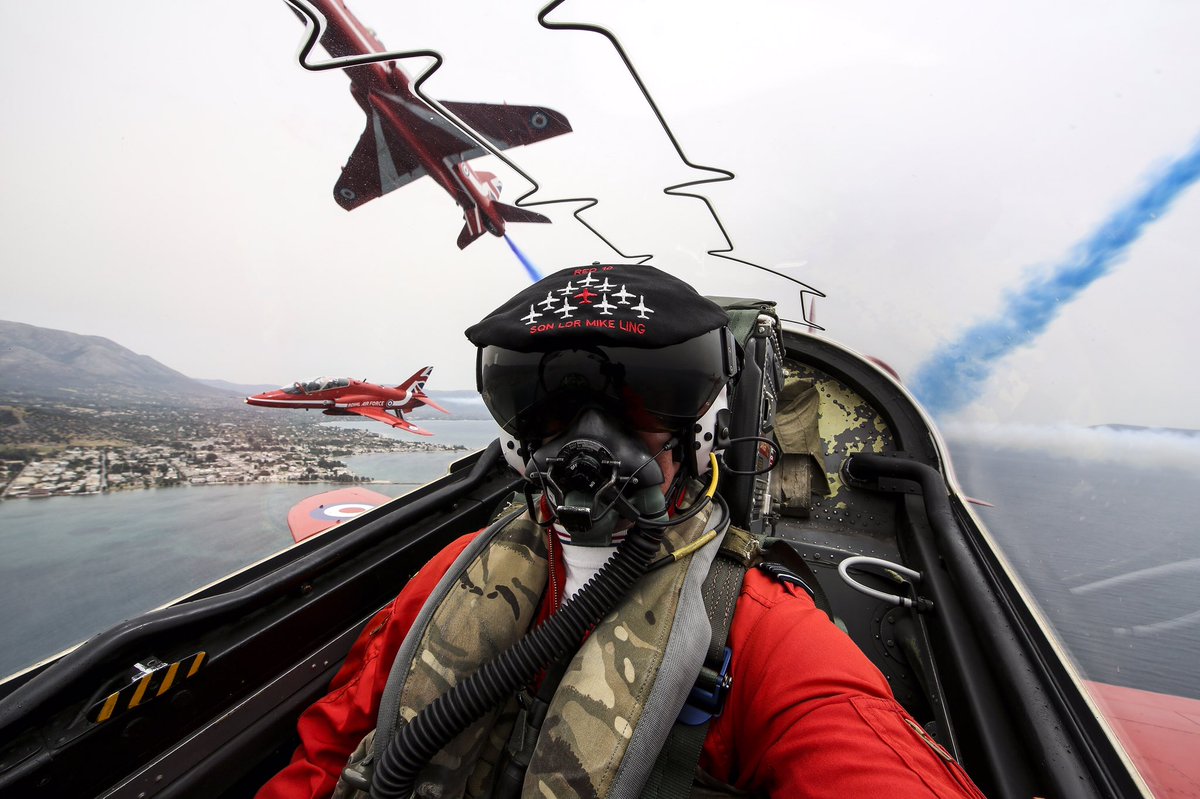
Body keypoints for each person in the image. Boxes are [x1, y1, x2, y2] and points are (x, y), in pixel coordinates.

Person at [257, 264, 986, 799]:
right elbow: (328, 748)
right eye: (548, 398)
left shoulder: (763, 634)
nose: (590, 434)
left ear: (705, 425)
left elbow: (857, 750)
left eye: (648, 394)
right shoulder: (455, 574)